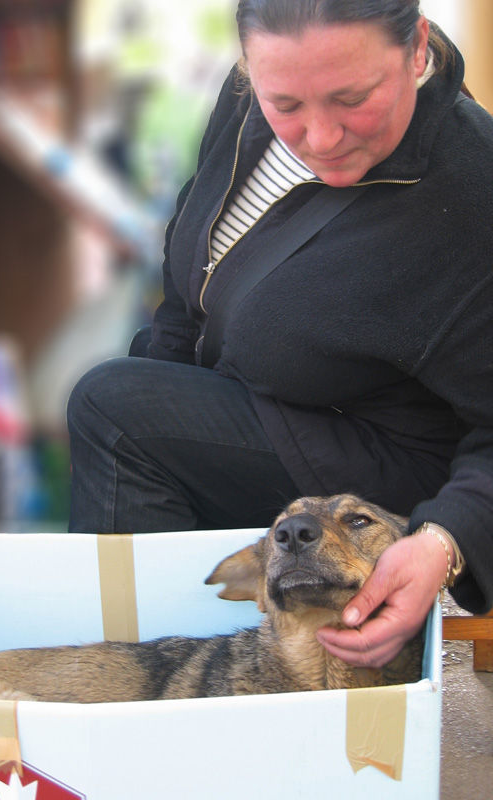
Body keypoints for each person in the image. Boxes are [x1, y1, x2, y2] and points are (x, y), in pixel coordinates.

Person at [68, 0, 493, 669]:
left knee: (114, 411)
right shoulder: (246, 102)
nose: (320, 137)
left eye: (353, 99)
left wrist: (443, 543)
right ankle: (173, 670)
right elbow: (188, 282)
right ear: (249, 67)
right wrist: (163, 396)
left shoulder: (472, 192)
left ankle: (165, 687)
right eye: (286, 104)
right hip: (263, 400)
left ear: (416, 48)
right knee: (130, 406)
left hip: (388, 461)